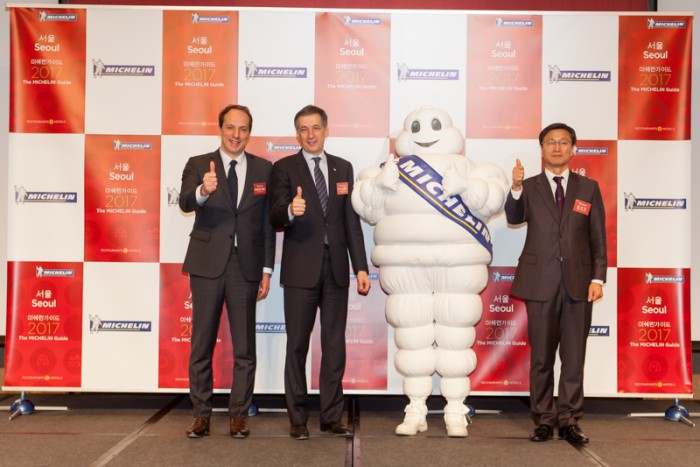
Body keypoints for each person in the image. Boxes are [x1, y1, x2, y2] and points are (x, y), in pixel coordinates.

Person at [270, 105, 371, 440]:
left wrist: (360, 267)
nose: (310, 135)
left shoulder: (343, 167)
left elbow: (350, 222)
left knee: (334, 346)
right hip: (300, 271)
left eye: (315, 127)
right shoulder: (284, 168)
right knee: (297, 347)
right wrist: (290, 210)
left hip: (337, 271)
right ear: (296, 134)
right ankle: (298, 419)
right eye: (303, 129)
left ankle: (331, 416)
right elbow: (274, 216)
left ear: (326, 130)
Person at [505, 122, 607, 445]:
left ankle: (570, 420)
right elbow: (514, 216)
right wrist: (515, 188)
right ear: (542, 149)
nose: (557, 147)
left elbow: (597, 237)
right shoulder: (529, 186)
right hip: (540, 283)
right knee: (542, 359)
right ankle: (543, 420)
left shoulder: (588, 188)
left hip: (579, 284)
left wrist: (598, 277)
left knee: (574, 358)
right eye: (551, 142)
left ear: (573, 149)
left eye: (563, 142)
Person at [179, 104, 275, 439]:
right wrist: (202, 191)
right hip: (207, 264)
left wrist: (266, 270)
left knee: (245, 348)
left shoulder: (264, 168)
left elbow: (266, 224)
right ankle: (201, 415)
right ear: (220, 129)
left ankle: (238, 415)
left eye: (243, 129)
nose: (236, 135)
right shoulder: (198, 164)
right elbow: (185, 202)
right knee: (201, 344)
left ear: (250, 132)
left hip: (246, 266)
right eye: (230, 127)